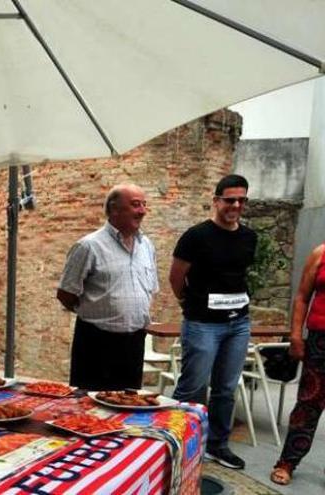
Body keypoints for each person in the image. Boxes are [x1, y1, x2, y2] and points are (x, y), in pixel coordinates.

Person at [169, 174, 257, 470]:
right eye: (229, 199)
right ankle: (178, 443)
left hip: (238, 324)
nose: (235, 205)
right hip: (203, 324)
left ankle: (218, 445)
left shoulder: (249, 237)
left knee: (225, 388)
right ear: (216, 200)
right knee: (193, 387)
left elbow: (239, 275)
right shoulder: (196, 236)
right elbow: (176, 277)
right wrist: (188, 304)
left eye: (241, 200)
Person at [56, 183, 158, 391]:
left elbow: (150, 289)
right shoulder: (89, 246)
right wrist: (94, 312)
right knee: (89, 408)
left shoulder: (146, 246)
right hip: (97, 342)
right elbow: (66, 293)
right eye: (135, 205)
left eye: (144, 205)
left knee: (127, 406)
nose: (142, 211)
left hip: (134, 343)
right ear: (114, 209)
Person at [270, 242, 325, 485]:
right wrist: (295, 335)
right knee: (308, 403)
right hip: (320, 341)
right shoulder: (321, 254)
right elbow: (302, 297)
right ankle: (288, 462)